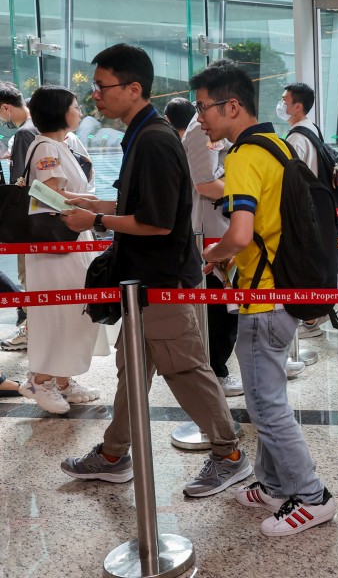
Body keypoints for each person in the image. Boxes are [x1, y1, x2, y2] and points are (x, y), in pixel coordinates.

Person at [59, 44, 250, 498]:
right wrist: (97, 203)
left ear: (133, 88)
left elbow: (159, 222)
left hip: (162, 283)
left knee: (184, 370)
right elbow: (142, 205)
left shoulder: (155, 140)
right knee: (133, 370)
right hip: (141, 284)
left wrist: (98, 221)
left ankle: (230, 454)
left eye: (102, 87)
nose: (95, 97)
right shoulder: (142, 134)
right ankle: (113, 453)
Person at [194, 59, 336, 537]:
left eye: (204, 108)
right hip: (285, 292)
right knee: (267, 398)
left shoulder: (241, 157)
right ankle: (274, 484)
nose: (201, 119)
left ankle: (312, 496)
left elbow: (239, 233)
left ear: (232, 105)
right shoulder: (277, 145)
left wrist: (210, 255)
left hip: (262, 299)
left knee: (265, 407)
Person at [16, 86, 102, 413]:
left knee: (76, 311)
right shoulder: (45, 148)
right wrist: (92, 205)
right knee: (59, 312)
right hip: (56, 243)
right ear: (60, 111)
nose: (80, 111)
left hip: (74, 238)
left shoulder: (64, 144)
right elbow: (49, 196)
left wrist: (91, 206)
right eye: (75, 106)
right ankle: (40, 380)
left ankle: (62, 380)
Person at [179, 101, 245, 395]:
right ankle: (216, 370)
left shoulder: (212, 128)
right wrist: (245, 193)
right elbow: (205, 183)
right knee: (217, 308)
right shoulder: (201, 130)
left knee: (225, 305)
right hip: (209, 230)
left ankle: (218, 365)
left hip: (221, 225)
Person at [277, 81, 326, 341]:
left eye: (285, 101)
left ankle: (309, 317)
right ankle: (312, 316)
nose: (281, 105)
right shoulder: (313, 130)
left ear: (298, 106)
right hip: (317, 209)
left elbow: (290, 178)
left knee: (300, 266)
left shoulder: (296, 138)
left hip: (302, 211)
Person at [0, 81, 32, 348]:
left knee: (29, 275)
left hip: (28, 220)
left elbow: (20, 184)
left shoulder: (24, 134)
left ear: (6, 107)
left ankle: (29, 330)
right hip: (45, 217)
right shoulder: (45, 128)